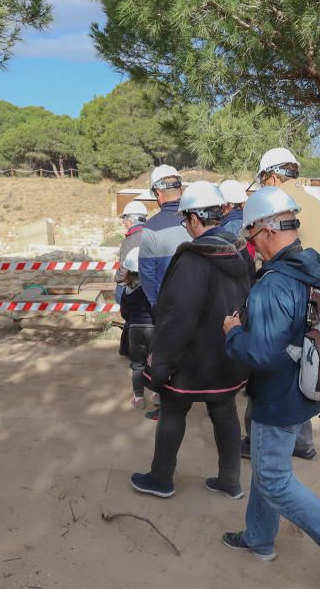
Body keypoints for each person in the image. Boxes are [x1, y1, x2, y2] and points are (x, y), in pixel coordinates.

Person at [221, 186, 320, 589]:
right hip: (305, 386)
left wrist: (233, 333)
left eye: (251, 237)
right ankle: (259, 537)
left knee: (273, 478)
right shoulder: (312, 265)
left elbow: (261, 356)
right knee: (268, 469)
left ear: (267, 230)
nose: (251, 247)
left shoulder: (274, 283)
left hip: (279, 396)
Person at [130, 182, 253, 499]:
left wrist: (161, 365)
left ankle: (161, 478)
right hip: (227, 354)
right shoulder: (239, 251)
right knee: (224, 411)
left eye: (186, 220)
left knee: (172, 410)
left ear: (197, 218)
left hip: (192, 359)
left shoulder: (193, 259)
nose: (185, 226)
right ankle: (230, 481)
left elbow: (178, 318)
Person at [237, 147, 320, 459]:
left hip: (286, 297)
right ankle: (303, 442)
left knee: (274, 369)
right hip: (316, 300)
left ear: (271, 176)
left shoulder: (276, 208)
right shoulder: (316, 206)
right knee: (304, 367)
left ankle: (260, 439)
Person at [138, 165, 192, 421]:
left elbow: (147, 273)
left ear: (158, 193)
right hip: (202, 302)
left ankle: (171, 408)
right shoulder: (196, 217)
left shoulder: (151, 228)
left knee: (170, 356)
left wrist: (155, 304)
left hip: (168, 307)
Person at [118, 247, 154, 410]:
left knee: (137, 365)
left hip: (134, 330)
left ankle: (139, 398)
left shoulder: (127, 291)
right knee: (154, 362)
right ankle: (157, 394)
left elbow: (124, 313)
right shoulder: (149, 288)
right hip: (151, 328)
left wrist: (132, 321)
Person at [115, 200, 149, 294]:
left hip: (132, 286)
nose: (124, 223)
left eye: (125, 220)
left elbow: (124, 268)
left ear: (130, 220)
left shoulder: (129, 241)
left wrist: (117, 278)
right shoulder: (152, 235)